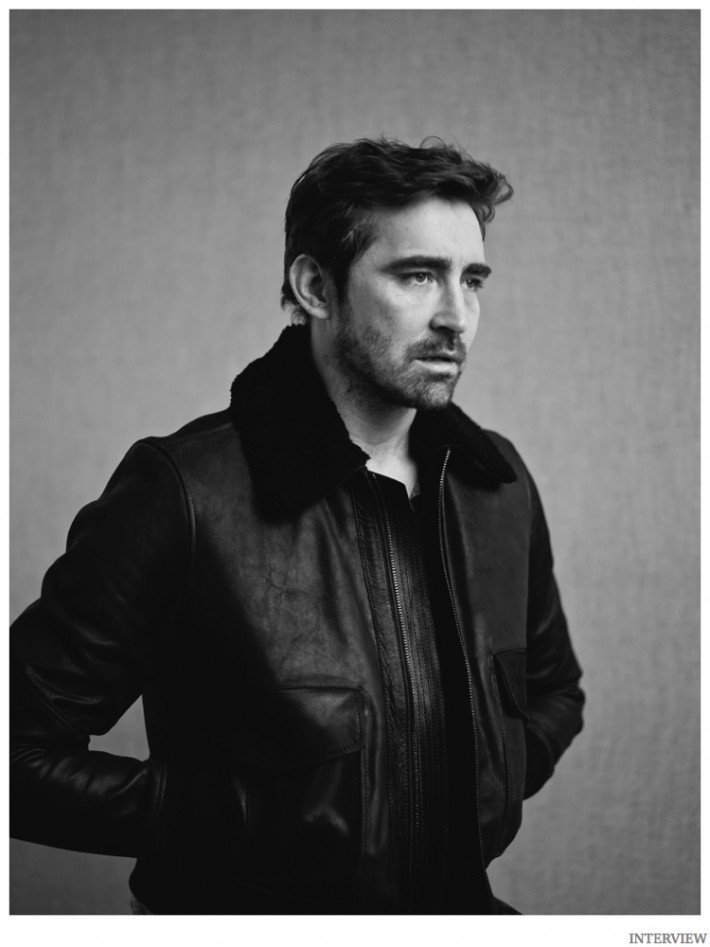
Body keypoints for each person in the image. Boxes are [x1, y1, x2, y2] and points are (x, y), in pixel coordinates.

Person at [10, 136, 584, 915]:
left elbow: (555, 690)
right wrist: (240, 822)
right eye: (418, 275)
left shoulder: (496, 482)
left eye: (472, 279)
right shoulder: (185, 490)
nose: (457, 316)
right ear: (316, 286)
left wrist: (477, 789)